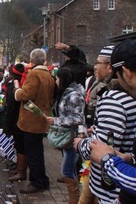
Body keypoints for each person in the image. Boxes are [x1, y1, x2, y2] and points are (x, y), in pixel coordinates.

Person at [75, 41, 136, 204]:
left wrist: (81, 144)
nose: (94, 66)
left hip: (111, 188)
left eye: (98, 62)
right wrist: (128, 158)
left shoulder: (115, 100)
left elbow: (101, 148)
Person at [14, 48, 55, 194]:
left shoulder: (34, 74)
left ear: (32, 61)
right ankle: (42, 180)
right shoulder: (48, 75)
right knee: (38, 152)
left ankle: (36, 182)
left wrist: (17, 90)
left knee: (32, 154)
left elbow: (26, 94)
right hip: (41, 118)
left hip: (31, 121)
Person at [46, 68, 85, 204]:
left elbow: (78, 118)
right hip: (67, 135)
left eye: (57, 78)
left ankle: (75, 200)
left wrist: (56, 121)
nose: (55, 81)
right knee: (69, 168)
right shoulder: (66, 93)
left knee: (67, 170)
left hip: (72, 136)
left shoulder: (74, 95)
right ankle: (75, 199)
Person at [3, 63, 27, 182]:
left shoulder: (17, 87)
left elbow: (12, 106)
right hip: (19, 119)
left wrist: (7, 124)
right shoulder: (20, 84)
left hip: (18, 120)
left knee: (21, 146)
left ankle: (21, 172)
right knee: (19, 145)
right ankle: (19, 169)